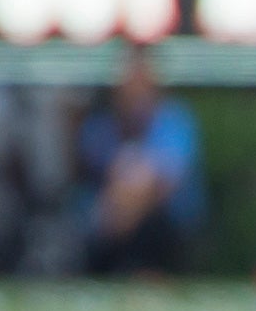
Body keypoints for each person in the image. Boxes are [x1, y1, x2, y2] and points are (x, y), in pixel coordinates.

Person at [74, 45, 208, 275]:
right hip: (109, 220)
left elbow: (163, 182)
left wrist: (128, 202)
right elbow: (94, 177)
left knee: (145, 216)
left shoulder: (174, 120)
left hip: (162, 220)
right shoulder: (100, 126)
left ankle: (143, 273)